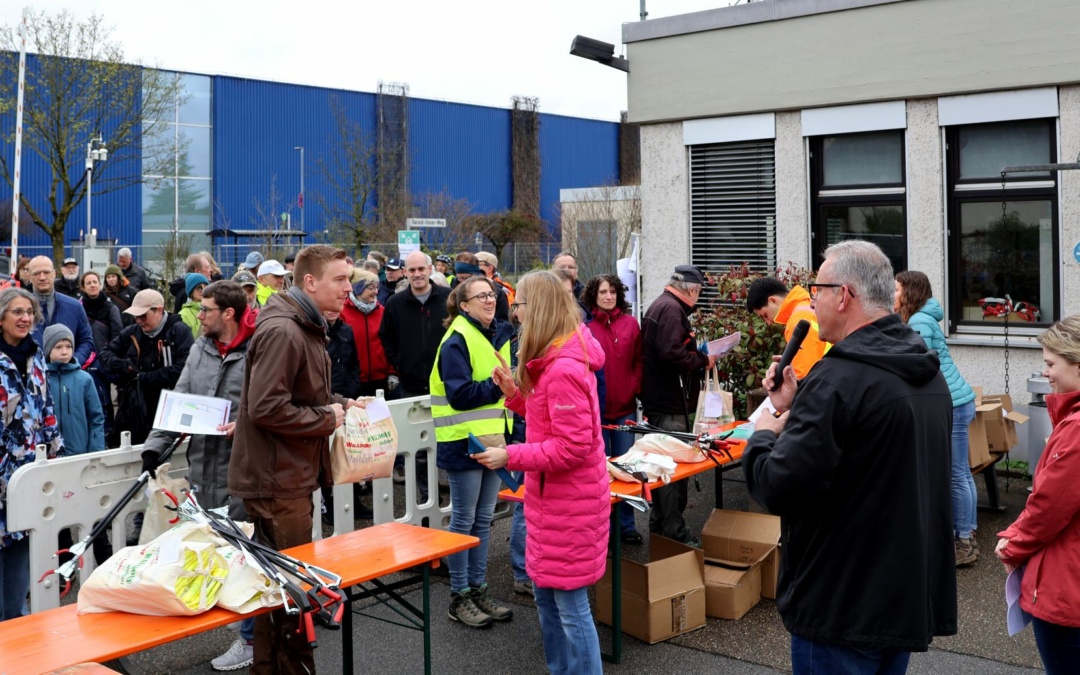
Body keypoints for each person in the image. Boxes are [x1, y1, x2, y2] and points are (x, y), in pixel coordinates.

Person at [745, 240, 956, 673]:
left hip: (839, 608)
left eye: (816, 288)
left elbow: (778, 485)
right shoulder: (923, 370)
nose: (812, 298)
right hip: (899, 598)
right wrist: (796, 403)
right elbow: (869, 449)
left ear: (843, 295)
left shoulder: (838, 381)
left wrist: (765, 432)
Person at [228, 245, 359, 674]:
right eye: (340, 279)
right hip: (277, 480)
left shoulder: (303, 325)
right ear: (309, 282)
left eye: (349, 279)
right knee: (291, 595)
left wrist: (341, 404)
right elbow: (266, 407)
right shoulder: (286, 331)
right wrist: (327, 417)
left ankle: (270, 668)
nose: (348, 288)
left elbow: (300, 396)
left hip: (285, 476)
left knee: (278, 591)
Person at [474, 270, 608, 674]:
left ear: (539, 308)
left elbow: (572, 447)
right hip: (554, 502)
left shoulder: (563, 367)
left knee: (569, 606)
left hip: (569, 504)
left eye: (519, 305)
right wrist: (515, 395)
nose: (514, 314)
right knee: (549, 600)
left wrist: (510, 456)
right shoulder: (554, 358)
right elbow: (548, 421)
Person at [141, 280, 258, 671]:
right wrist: (155, 445)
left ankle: (251, 640)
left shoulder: (257, 348)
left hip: (244, 470)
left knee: (245, 557)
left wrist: (244, 424)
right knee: (212, 553)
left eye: (206, 309)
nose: (199, 314)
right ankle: (246, 630)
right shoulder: (202, 347)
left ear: (228, 313)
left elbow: (271, 406)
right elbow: (182, 396)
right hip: (203, 469)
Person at [995, 316, 1080, 673]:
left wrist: (1010, 544)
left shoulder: (1075, 430)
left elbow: (1048, 507)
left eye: (1050, 364)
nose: (1045, 373)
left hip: (1067, 592)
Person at [430, 275, 515, 628]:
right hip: (463, 440)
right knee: (465, 520)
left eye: (492, 294)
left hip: (492, 438)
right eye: (481, 296)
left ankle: (478, 589)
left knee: (483, 520)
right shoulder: (457, 340)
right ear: (463, 305)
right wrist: (500, 387)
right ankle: (459, 595)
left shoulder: (496, 332)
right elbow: (459, 395)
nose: (489, 299)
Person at [896, 270, 978, 566]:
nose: (892, 294)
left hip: (952, 403)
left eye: (896, 289)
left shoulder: (918, 321)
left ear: (910, 292)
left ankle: (963, 542)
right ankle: (967, 534)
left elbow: (917, 362)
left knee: (956, 474)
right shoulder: (925, 316)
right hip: (960, 399)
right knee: (962, 473)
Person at [640, 264, 716, 545]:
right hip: (669, 403)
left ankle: (661, 529)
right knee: (672, 471)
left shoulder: (661, 306)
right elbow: (672, 354)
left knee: (662, 468)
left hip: (660, 400)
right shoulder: (672, 310)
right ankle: (674, 535)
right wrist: (701, 360)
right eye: (699, 292)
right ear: (692, 290)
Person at [0, 287, 63, 622]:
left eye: (29, 312)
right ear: (1, 318)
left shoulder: (36, 355)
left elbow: (46, 407)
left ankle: (13, 620)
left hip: (28, 471)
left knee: (22, 547)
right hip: (0, 471)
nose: (25, 318)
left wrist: (54, 454)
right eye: (16, 312)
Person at [380, 251, 452, 501]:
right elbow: (386, 337)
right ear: (405, 272)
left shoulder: (447, 299)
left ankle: (452, 490)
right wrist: (400, 363)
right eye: (411, 270)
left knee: (449, 437)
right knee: (419, 446)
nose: (417, 274)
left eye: (421, 269)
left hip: (446, 384)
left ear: (431, 269)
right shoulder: (395, 304)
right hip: (412, 384)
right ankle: (426, 496)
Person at [582, 274, 643, 544]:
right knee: (600, 472)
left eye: (613, 292)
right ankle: (602, 527)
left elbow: (640, 361)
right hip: (596, 412)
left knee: (626, 469)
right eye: (603, 292)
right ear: (593, 296)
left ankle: (627, 525)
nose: (608, 296)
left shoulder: (631, 325)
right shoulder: (586, 328)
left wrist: (634, 386)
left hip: (625, 410)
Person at [98, 289, 194, 446]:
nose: (139, 321)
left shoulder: (179, 331)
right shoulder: (132, 332)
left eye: (143, 316)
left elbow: (184, 369)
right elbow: (104, 355)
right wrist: (123, 366)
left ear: (159, 310)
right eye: (136, 316)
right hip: (136, 409)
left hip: (170, 408)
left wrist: (143, 377)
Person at [746, 277, 830, 379]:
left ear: (773, 301)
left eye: (765, 315)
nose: (768, 322)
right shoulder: (807, 305)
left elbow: (803, 376)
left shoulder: (797, 321)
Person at [43, 325, 104, 456]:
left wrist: (96, 452)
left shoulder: (84, 380)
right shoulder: (40, 380)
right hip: (48, 457)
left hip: (79, 454)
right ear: (48, 350)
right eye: (58, 347)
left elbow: (96, 418)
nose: (64, 352)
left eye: (68, 346)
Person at [27, 256, 95, 368]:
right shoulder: (19, 309)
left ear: (54, 273)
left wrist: (73, 363)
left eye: (46, 272)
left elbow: (86, 340)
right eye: (36, 273)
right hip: (32, 379)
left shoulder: (74, 307)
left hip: (68, 378)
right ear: (29, 277)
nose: (42, 277)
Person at [80, 270, 124, 436]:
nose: (92, 285)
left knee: (104, 399)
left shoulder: (110, 307)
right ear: (83, 287)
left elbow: (117, 333)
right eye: (88, 283)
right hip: (85, 359)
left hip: (103, 359)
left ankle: (108, 432)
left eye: (95, 282)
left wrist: (108, 354)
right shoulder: (79, 307)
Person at [340, 271, 391, 397]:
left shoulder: (382, 311)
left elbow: (389, 343)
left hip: (380, 380)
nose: (376, 292)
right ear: (358, 288)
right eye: (371, 288)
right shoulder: (343, 312)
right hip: (354, 381)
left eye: (377, 288)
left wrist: (392, 372)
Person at [454, 253, 510, 321]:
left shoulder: (497, 292)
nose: (463, 283)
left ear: (476, 275)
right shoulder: (453, 289)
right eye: (459, 279)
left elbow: (503, 322)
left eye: (466, 278)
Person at [179, 273, 209, 338]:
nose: (203, 290)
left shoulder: (213, 309)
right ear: (191, 292)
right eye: (199, 288)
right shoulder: (183, 315)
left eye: (206, 286)